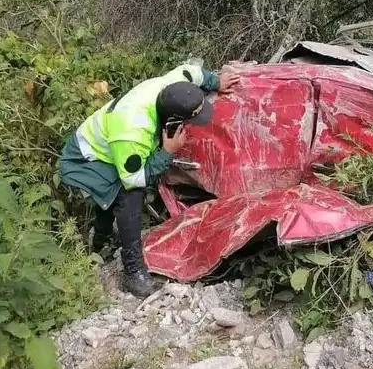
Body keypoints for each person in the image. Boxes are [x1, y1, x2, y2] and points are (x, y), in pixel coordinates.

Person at [58, 62, 238, 297]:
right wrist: (167, 151)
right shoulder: (134, 131)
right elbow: (134, 178)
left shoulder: (174, 83)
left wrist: (215, 81)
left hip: (110, 147)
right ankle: (133, 272)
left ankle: (100, 241)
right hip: (86, 159)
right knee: (128, 195)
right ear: (172, 117)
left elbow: (192, 71)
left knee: (117, 190)